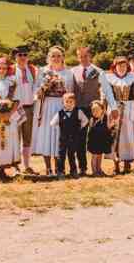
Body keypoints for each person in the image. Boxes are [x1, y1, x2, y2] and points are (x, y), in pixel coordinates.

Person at [71, 46, 117, 173]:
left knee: (98, 138)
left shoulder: (99, 71)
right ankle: (83, 168)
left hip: (94, 110)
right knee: (80, 139)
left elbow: (107, 90)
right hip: (79, 109)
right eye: (80, 56)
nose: (83, 58)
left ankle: (98, 168)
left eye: (85, 56)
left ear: (90, 56)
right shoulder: (73, 71)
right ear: (77, 57)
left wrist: (113, 107)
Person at [31, 46, 76, 175]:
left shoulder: (68, 72)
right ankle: (48, 167)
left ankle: (58, 167)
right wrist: (44, 86)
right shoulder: (43, 71)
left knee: (58, 135)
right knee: (46, 134)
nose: (56, 58)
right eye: (53, 56)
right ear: (49, 58)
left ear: (63, 57)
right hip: (46, 105)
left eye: (58, 56)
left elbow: (70, 91)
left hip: (61, 105)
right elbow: (36, 90)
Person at [105, 55, 134, 174]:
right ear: (115, 67)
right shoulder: (109, 78)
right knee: (115, 136)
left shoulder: (132, 78)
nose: (122, 68)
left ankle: (127, 164)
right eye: (119, 65)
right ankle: (116, 164)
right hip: (114, 108)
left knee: (128, 136)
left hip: (130, 109)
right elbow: (105, 97)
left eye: (124, 65)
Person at [11, 45, 38, 175]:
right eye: (19, 55)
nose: (22, 57)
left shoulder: (32, 70)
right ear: (15, 57)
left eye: (24, 55)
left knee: (27, 138)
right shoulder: (11, 70)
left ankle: (27, 165)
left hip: (29, 107)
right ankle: (16, 166)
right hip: (16, 109)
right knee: (15, 137)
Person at [49, 92, 88, 179]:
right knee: (61, 155)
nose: (69, 104)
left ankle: (73, 171)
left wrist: (80, 127)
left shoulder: (78, 111)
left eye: (71, 102)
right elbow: (52, 123)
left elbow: (85, 120)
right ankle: (60, 171)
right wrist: (57, 128)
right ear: (63, 102)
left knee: (71, 155)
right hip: (63, 139)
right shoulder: (60, 113)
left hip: (74, 138)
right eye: (67, 102)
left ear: (74, 102)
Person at [86, 100, 113, 177]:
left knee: (100, 155)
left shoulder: (105, 118)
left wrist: (112, 123)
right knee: (94, 155)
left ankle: (99, 169)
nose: (95, 112)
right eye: (93, 110)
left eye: (97, 110)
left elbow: (108, 127)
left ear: (102, 110)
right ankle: (94, 171)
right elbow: (91, 128)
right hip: (94, 140)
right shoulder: (92, 119)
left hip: (102, 139)